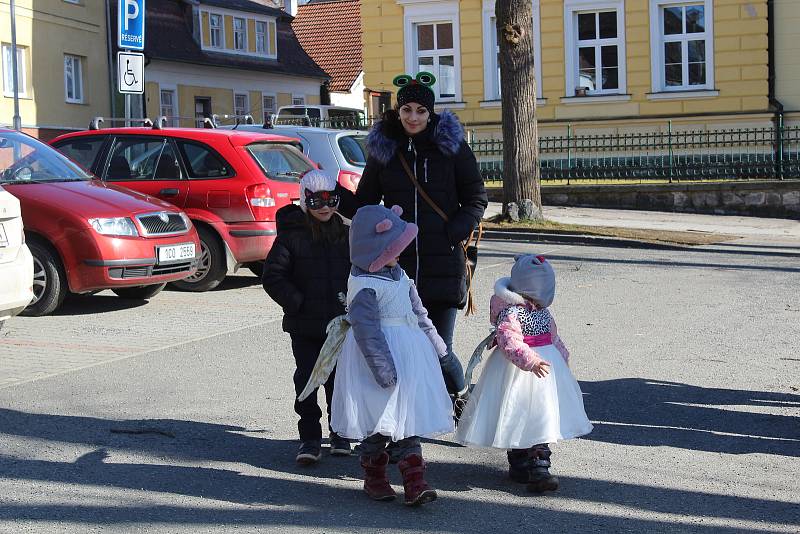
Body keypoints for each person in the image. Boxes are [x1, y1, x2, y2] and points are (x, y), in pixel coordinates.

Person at [337, 72, 488, 398]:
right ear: (398, 111)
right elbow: (363, 204)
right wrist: (331, 194)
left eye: (421, 110)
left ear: (430, 112)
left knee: (439, 348)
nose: (414, 117)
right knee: (404, 347)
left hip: (443, 264)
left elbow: (476, 197)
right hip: (396, 270)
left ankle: (460, 395)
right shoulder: (384, 152)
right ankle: (415, 418)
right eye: (407, 110)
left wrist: (452, 234)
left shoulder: (452, 149)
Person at [330, 204, 462, 506]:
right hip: (378, 363)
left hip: (410, 359)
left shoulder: (400, 275)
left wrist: (438, 347)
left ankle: (416, 481)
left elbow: (419, 313)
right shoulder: (364, 285)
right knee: (382, 422)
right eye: (395, 249)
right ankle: (374, 473)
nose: (400, 255)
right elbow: (367, 332)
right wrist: (383, 370)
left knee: (408, 421)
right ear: (376, 249)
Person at [454, 254, 593, 493]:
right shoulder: (511, 312)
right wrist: (530, 360)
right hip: (517, 370)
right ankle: (519, 460)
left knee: (541, 416)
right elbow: (509, 341)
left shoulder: (544, 313)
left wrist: (563, 358)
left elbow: (553, 338)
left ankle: (540, 465)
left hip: (545, 373)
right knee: (517, 413)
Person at [262, 170, 352, 465]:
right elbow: (273, 276)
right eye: (315, 201)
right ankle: (310, 437)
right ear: (304, 201)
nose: (324, 207)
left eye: (330, 200)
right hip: (305, 325)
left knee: (340, 382)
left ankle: (339, 433)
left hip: (340, 325)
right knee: (307, 380)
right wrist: (297, 303)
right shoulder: (292, 236)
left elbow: (361, 272)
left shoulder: (347, 234)